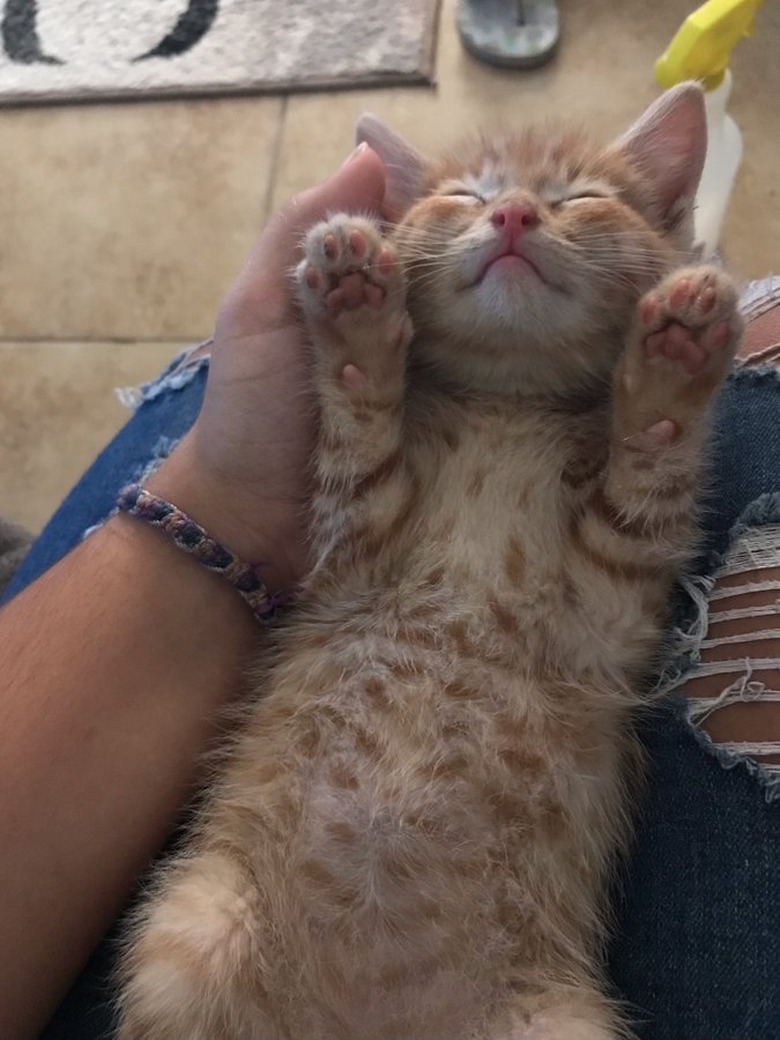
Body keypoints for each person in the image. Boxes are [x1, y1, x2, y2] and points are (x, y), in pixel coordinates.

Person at [0, 141, 778, 1040]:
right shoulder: (435, 421)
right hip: (285, 944)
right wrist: (365, 377)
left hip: (495, 989)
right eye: (459, 198)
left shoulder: (566, 440)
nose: (513, 213)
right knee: (190, 963)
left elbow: (600, 628)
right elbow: (589, 615)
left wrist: (646, 425)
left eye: (586, 201)